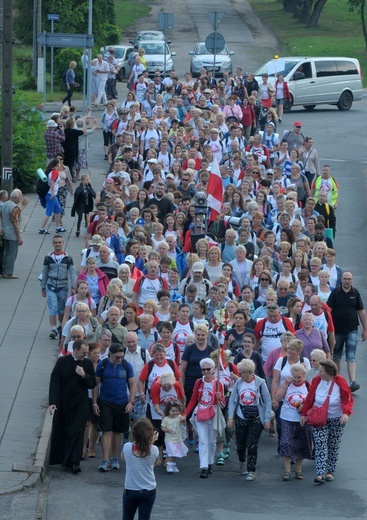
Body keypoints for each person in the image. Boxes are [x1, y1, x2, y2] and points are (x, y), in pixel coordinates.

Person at [300, 360, 353, 484]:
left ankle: (330, 471)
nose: (318, 372)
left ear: (329, 373)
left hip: (336, 418)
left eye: (321, 371)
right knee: (320, 444)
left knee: (333, 444)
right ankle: (320, 473)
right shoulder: (317, 380)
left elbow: (348, 399)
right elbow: (309, 398)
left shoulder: (340, 381)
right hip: (318, 418)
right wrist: (304, 413)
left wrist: (346, 413)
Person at [48, 340, 96, 474]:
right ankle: (63, 459)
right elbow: (55, 382)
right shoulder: (63, 362)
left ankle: (75, 462)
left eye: (87, 353)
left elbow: (92, 383)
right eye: (83, 352)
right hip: (64, 402)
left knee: (78, 432)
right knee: (63, 430)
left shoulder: (87, 363)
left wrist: (83, 375)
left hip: (80, 403)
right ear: (75, 350)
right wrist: (52, 403)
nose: (85, 355)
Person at [93, 343, 136, 472]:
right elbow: (95, 385)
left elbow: (132, 384)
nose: (120, 359)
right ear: (110, 354)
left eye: (122, 356)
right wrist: (94, 403)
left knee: (118, 431)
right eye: (117, 357)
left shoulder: (126, 365)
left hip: (122, 402)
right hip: (105, 401)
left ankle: (114, 458)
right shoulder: (103, 364)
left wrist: (131, 402)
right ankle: (105, 460)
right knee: (106, 430)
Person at [227, 359, 271, 480]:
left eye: (241, 372)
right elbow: (232, 400)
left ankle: (251, 469)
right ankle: (242, 462)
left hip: (256, 417)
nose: (239, 375)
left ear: (249, 372)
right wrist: (231, 417)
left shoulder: (260, 383)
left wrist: (267, 419)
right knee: (240, 444)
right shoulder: (239, 383)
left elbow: (267, 401)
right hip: (241, 416)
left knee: (252, 444)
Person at [185, 357, 226, 478]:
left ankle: (210, 463)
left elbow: (223, 405)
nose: (206, 372)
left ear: (213, 369)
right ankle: (204, 467)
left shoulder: (219, 384)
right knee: (203, 440)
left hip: (213, 413)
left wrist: (220, 398)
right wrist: (186, 414)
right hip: (201, 413)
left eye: (208, 369)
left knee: (212, 441)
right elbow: (193, 399)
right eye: (203, 370)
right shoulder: (199, 382)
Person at [327, 272, 367, 392]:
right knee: (337, 355)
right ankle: (336, 380)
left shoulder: (355, 293)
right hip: (337, 330)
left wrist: (365, 329)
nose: (347, 281)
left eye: (349, 279)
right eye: (345, 279)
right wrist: (328, 328)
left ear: (352, 280)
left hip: (352, 330)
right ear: (341, 279)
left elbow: (361, 311)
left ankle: (352, 382)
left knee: (351, 355)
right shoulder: (335, 293)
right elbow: (329, 310)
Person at [274, 363, 312, 481]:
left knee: (301, 443)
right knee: (286, 442)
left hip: (302, 419)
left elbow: (313, 401)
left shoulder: (307, 385)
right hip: (287, 417)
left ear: (304, 375)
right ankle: (286, 471)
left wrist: (305, 407)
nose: (296, 379)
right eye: (294, 376)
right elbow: (277, 398)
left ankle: (298, 470)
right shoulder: (287, 385)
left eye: (298, 377)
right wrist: (285, 384)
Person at [121, 418, 159, 520]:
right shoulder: (154, 450)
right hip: (148, 491)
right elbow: (154, 463)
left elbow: (123, 457)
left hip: (130, 490)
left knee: (127, 517)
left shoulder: (127, 447)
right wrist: (151, 442)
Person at [41, 235, 76, 339]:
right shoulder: (48, 257)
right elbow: (44, 272)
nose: (57, 244)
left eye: (59, 242)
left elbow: (72, 273)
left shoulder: (68, 257)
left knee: (61, 308)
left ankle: (60, 326)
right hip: (51, 285)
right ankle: (53, 329)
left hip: (63, 286)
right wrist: (43, 287)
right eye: (56, 242)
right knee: (53, 307)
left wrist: (74, 286)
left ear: (63, 243)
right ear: (53, 244)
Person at [0, 189, 25, 279]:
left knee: (6, 252)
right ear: (15, 198)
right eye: (20, 197)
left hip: (5, 232)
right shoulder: (14, 207)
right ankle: (8, 273)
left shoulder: (5, 204)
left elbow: (1, 217)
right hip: (12, 234)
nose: (20, 198)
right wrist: (20, 237)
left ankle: (4, 270)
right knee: (12, 254)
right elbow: (15, 223)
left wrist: (1, 228)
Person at [161, 400, 188, 473]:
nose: (175, 413)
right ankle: (169, 465)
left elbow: (184, 424)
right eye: (173, 411)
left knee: (175, 453)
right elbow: (162, 428)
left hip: (177, 439)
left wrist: (183, 420)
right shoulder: (166, 419)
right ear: (168, 411)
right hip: (169, 439)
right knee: (170, 453)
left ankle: (173, 465)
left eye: (177, 411)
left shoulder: (179, 417)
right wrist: (167, 429)